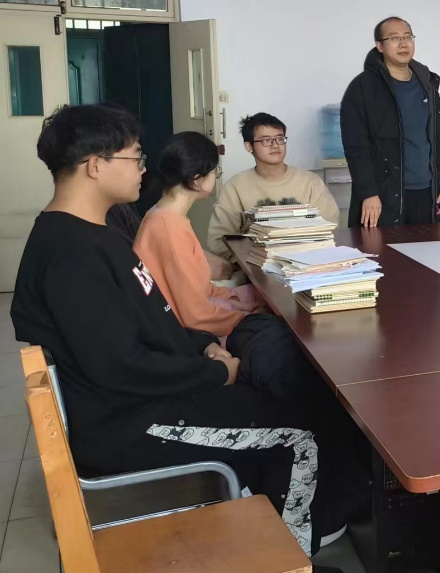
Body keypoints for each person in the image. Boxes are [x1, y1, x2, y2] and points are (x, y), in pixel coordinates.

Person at [10, 104, 367, 559]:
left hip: (150, 396)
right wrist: (216, 373)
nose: (143, 169)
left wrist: (203, 346)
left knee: (290, 393)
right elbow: (119, 367)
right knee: (303, 430)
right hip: (130, 421)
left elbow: (152, 319)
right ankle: (293, 556)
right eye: (135, 158)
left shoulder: (96, 233)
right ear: (95, 166)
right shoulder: (71, 254)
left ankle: (273, 519)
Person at [134, 132, 261, 339]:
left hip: (195, 310)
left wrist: (236, 301)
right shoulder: (170, 228)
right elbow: (195, 316)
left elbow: (197, 290)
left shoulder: (163, 214)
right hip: (184, 333)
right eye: (215, 172)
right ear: (197, 180)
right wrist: (245, 317)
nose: (216, 177)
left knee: (255, 298)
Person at [341, 16, 440, 228]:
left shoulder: (426, 82)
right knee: (382, 249)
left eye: (407, 37)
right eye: (394, 38)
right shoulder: (363, 87)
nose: (403, 44)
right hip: (384, 193)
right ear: (380, 46)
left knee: (429, 248)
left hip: (428, 191)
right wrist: (368, 193)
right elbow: (356, 147)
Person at [207, 113, 340, 261]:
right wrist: (251, 259)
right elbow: (219, 241)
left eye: (280, 138)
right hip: (255, 263)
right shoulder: (235, 187)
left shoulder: (311, 182)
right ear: (249, 146)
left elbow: (331, 227)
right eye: (266, 140)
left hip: (307, 263)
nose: (275, 145)